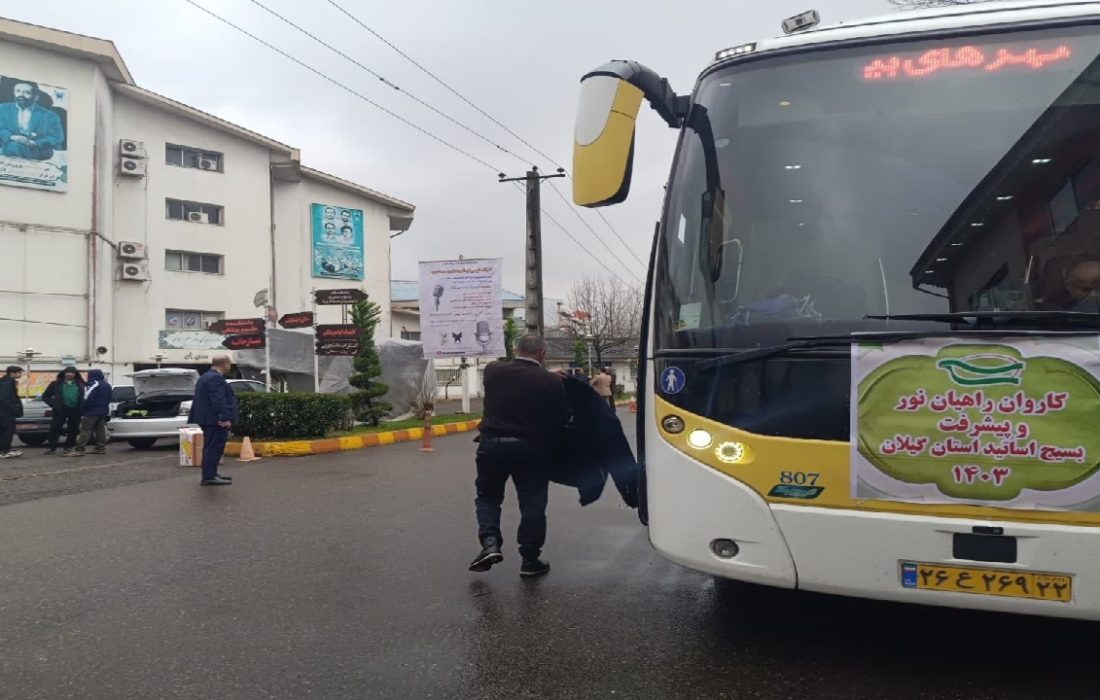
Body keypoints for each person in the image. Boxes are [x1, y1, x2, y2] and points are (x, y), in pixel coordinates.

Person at [469, 335, 569, 578]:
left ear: (516, 349)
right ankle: (530, 559)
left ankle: (490, 543)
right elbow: (561, 419)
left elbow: (516, 375)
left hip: (491, 446)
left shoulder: (492, 371)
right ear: (542, 354)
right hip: (531, 450)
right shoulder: (551, 382)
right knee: (532, 504)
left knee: (488, 497)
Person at [190, 356, 238, 486]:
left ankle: (211, 474)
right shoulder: (215, 378)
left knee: (211, 447)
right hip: (214, 420)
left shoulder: (205, 376)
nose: (230, 366)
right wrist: (225, 417)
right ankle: (209, 477)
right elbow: (218, 400)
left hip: (209, 419)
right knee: (214, 448)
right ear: (224, 364)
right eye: (229, 364)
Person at [0, 81, 65, 161]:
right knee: (14, 146)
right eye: (18, 91)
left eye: (27, 92)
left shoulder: (50, 116)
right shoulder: (3, 109)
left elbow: (57, 137)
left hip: (39, 151)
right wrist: (11, 136)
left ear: (36, 97)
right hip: (10, 147)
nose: (21, 95)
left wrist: (35, 143)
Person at [42, 367, 84, 455]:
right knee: (54, 428)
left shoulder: (80, 383)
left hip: (75, 410)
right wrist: (53, 404)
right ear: (64, 373)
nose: (70, 374)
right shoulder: (56, 384)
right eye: (68, 372)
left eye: (72, 373)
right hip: (60, 410)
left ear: (75, 374)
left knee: (73, 429)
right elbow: (45, 396)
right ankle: (52, 448)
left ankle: (68, 448)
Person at [72, 369, 111, 456]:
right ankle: (100, 448)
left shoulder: (93, 385)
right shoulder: (107, 385)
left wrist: (82, 409)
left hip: (91, 411)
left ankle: (79, 448)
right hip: (103, 411)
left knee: (85, 429)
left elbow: (87, 398)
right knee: (100, 430)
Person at [0, 365, 24, 459]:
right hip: (6, 412)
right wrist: (13, 408)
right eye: (19, 372)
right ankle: (5, 451)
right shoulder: (7, 383)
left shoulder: (5, 381)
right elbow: (5, 397)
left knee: (2, 431)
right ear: (13, 373)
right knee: (8, 431)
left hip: (3, 412)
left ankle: (4, 449)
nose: (21, 374)